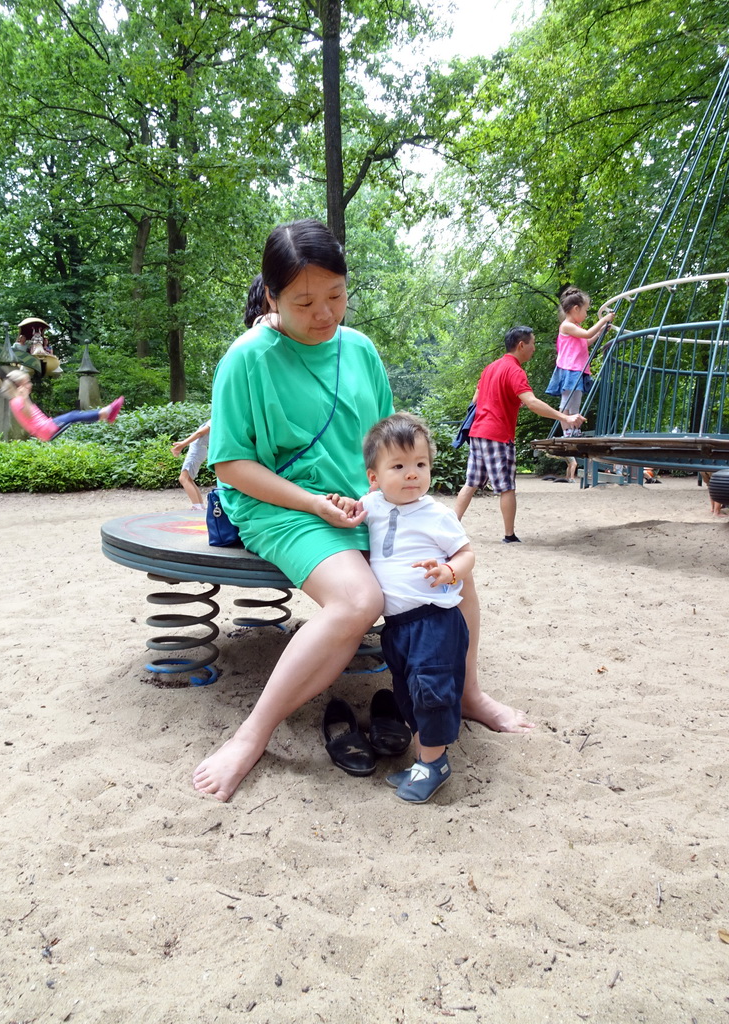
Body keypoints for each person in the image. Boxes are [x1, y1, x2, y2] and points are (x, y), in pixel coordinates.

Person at [193, 219, 532, 803]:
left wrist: (384, 495)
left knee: (452, 568)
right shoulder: (245, 360)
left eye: (336, 296)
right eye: (303, 302)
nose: (324, 314)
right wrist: (314, 502)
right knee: (359, 600)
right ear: (271, 298)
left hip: (364, 502)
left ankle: (468, 693)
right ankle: (252, 734)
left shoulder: (361, 351)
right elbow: (229, 467)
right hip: (283, 506)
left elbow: (383, 445)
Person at [333, 412, 476, 803]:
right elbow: (354, 510)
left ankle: (435, 763)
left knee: (432, 692)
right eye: (398, 466)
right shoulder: (373, 504)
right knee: (408, 693)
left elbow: (467, 554)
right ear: (374, 478)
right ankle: (422, 761)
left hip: (435, 620)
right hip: (397, 625)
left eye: (420, 464)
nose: (412, 474)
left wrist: (449, 569)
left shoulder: (438, 515)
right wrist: (340, 503)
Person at [454, 326, 586, 542]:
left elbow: (477, 399)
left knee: (471, 483)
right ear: (521, 345)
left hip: (478, 433)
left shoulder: (490, 368)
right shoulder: (515, 370)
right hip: (497, 434)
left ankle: (450, 528)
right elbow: (533, 403)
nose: (534, 348)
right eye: (532, 343)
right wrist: (565, 417)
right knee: (507, 487)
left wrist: (508, 402)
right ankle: (509, 535)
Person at [546, 287, 614, 481]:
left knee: (576, 401)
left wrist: (602, 330)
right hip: (569, 368)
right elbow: (585, 335)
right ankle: (567, 430)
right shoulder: (567, 326)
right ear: (575, 309)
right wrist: (603, 320)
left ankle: (573, 429)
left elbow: (587, 341)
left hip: (578, 368)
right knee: (566, 403)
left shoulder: (576, 329)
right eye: (585, 310)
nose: (586, 314)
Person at [0, 369, 124, 440]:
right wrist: (25, 397)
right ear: (19, 386)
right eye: (27, 383)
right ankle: (106, 413)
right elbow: (28, 415)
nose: (30, 385)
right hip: (45, 430)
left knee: (75, 416)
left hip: (46, 427)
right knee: (73, 416)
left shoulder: (17, 400)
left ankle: (106, 414)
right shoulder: (18, 401)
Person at [171, 423, 211, 510]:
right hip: (197, 450)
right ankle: (199, 505)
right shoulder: (214, 419)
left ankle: (197, 506)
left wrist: (182, 444)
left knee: (183, 478)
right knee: (188, 479)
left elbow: (199, 433)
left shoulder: (213, 420)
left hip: (196, 451)